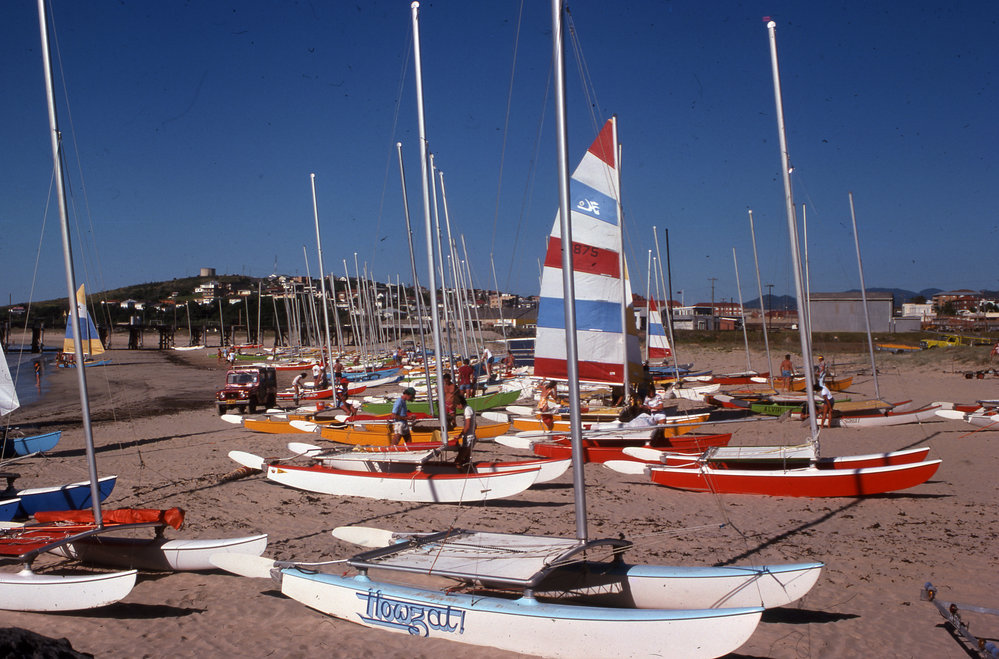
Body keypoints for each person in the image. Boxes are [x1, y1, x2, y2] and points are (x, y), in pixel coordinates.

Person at [453, 392, 477, 468]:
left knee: (458, 461)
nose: (457, 407)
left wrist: (460, 435)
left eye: (456, 405)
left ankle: (461, 474)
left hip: (469, 438)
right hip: (471, 437)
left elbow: (467, 425)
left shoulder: (467, 410)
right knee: (466, 459)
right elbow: (475, 425)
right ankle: (468, 472)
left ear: (460, 404)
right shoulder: (469, 408)